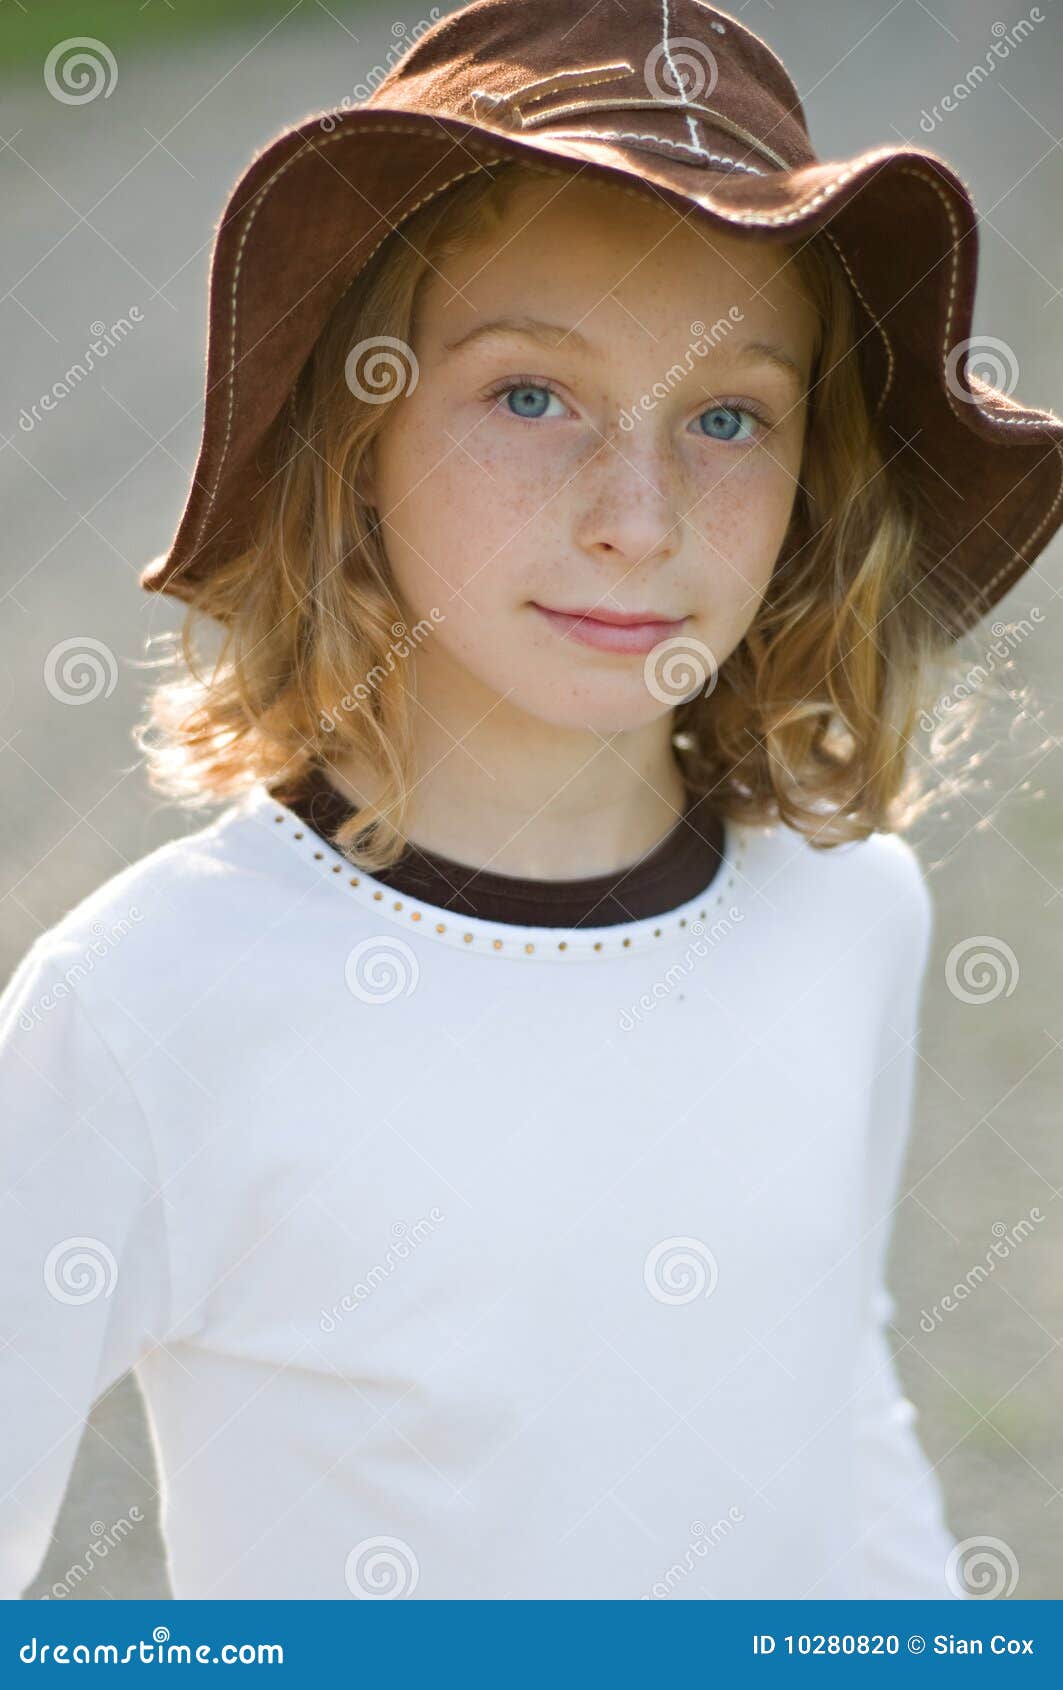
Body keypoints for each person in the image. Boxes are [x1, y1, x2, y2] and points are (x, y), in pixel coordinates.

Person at [3, 0, 1061, 1602]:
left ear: (808, 481)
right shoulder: (147, 1004)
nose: (636, 517)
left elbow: (836, 1394)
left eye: (727, 417)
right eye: (530, 394)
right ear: (356, 431)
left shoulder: (849, 911)